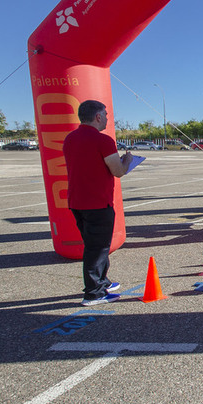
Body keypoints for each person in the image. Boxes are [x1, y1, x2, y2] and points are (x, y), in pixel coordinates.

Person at [62, 100, 133, 306]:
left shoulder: (70, 138)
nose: (108, 119)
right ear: (98, 117)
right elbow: (118, 171)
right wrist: (127, 161)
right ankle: (93, 293)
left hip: (77, 201)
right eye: (106, 115)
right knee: (97, 248)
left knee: (95, 246)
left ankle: (102, 282)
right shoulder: (103, 140)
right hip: (97, 203)